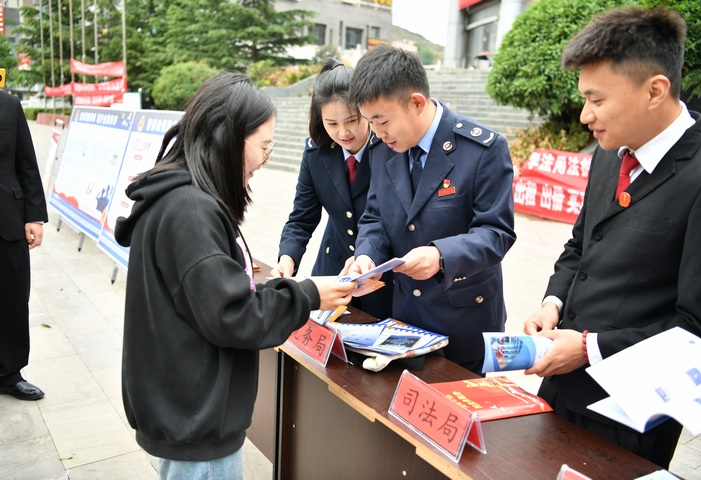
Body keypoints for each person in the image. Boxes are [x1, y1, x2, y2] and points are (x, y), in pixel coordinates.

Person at [114, 72, 356, 479]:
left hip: (185, 408)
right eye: (263, 146)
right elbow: (233, 315)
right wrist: (307, 294)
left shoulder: (180, 199)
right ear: (229, 139)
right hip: (196, 420)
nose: (265, 158)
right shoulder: (190, 211)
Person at [522, 7, 701, 469]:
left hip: (630, 412)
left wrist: (590, 348)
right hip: (560, 381)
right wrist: (552, 304)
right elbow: (579, 248)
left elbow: (699, 328)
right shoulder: (611, 153)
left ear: (655, 90)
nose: (585, 115)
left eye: (596, 99)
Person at [346, 45, 516, 375]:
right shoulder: (383, 149)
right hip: (405, 322)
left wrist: (440, 256)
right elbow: (375, 217)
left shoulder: (482, 149)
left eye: (381, 120)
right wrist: (366, 255)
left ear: (416, 103)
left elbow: (497, 234)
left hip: (466, 322)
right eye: (370, 122)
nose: (377, 132)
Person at [273, 59, 393, 320]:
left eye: (351, 120)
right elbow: (301, 218)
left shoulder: (389, 148)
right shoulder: (317, 153)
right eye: (332, 123)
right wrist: (287, 258)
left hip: (381, 275)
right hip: (332, 270)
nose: (343, 132)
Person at [0, 90, 48, 401]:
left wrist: (34, 216)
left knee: (12, 298)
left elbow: (27, 163)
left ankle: (9, 374)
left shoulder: (8, 104)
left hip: (8, 218)